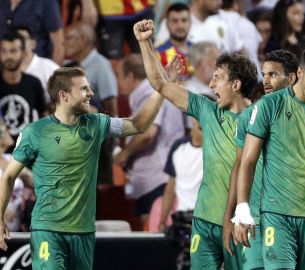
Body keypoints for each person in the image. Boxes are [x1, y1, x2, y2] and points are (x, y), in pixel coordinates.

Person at [0, 62, 178, 268]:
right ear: (64, 96)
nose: (91, 93)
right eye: (83, 88)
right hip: (48, 230)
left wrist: (162, 89)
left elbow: (139, 124)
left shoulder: (96, 123)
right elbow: (9, 176)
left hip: (83, 232)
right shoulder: (35, 132)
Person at [135, 19, 258, 269]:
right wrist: (145, 43)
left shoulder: (260, 119)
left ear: (236, 85)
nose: (211, 85)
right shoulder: (207, 111)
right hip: (202, 220)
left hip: (242, 221)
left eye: (218, 79)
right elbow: (161, 85)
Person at [233, 45, 305, 270]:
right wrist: (242, 209)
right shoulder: (269, 105)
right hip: (278, 215)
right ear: (299, 73)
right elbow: (248, 161)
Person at [224, 50, 298, 270]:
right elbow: (238, 167)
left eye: (273, 74)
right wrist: (232, 216)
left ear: (292, 78)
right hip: (255, 217)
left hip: (294, 214)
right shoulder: (249, 116)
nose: (266, 80)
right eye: (264, 74)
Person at [114, 53, 187, 227]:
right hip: (160, 175)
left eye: (119, 76)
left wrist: (124, 154)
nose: (119, 83)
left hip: (156, 177)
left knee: (154, 230)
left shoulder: (150, 93)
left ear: (130, 76)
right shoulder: (153, 92)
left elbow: (148, 133)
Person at [64, 21, 119, 183]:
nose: (64, 42)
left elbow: (111, 104)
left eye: (68, 38)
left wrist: (110, 139)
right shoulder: (68, 66)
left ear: (83, 40)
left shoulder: (100, 64)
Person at [160, 116, 203, 270]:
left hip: (206, 220)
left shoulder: (217, 147)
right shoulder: (178, 147)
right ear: (192, 119)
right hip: (182, 222)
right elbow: (171, 185)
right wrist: (162, 220)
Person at [0, 32, 47, 150]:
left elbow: (43, 115)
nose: (8, 56)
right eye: (4, 51)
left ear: (23, 53)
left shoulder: (33, 83)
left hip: (28, 151)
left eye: (13, 51)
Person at [0, 0, 64, 65]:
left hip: (36, 69)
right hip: (3, 68)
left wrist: (54, 72)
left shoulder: (46, 2)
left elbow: (58, 43)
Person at [14, 25, 60, 107]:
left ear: (33, 44)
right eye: (16, 38)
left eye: (22, 38)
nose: (19, 42)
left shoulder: (49, 67)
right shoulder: (6, 69)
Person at [156, 3, 193, 81]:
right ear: (167, 24)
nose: (180, 25)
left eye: (184, 20)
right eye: (175, 21)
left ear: (190, 23)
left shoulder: (199, 49)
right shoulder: (159, 54)